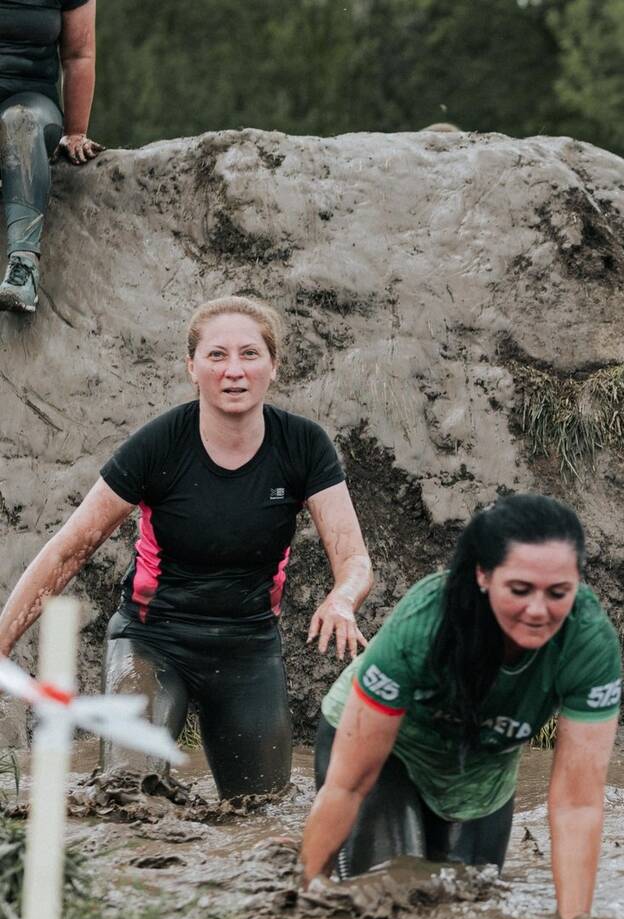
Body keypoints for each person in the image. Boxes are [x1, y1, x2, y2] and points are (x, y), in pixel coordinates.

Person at [0, 296, 372, 797]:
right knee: (129, 793)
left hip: (249, 647)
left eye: (250, 354)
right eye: (217, 356)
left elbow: (353, 558)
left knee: (259, 812)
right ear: (192, 367)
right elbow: (71, 548)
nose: (233, 371)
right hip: (152, 640)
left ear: (274, 366)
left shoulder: (304, 445)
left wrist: (343, 598)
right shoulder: (159, 445)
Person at [298, 494, 622, 919]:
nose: (538, 611)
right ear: (484, 576)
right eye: (520, 590)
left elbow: (577, 803)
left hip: (480, 769)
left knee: (468, 913)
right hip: (390, 752)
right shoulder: (426, 621)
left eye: (558, 593)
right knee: (387, 902)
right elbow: (349, 784)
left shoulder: (589, 643)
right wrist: (307, 893)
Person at [0, 0, 101, 314]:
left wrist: (75, 132)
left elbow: (78, 54)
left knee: (19, 121)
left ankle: (23, 267)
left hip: (31, 104)